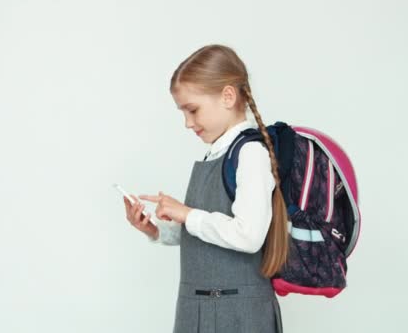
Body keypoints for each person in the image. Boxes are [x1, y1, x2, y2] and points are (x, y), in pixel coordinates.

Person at [122, 44, 288, 333]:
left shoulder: (250, 153)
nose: (187, 123)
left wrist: (186, 213)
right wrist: (156, 230)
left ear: (227, 96)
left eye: (193, 110)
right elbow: (207, 237)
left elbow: (248, 236)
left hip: (237, 315)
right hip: (197, 309)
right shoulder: (214, 154)